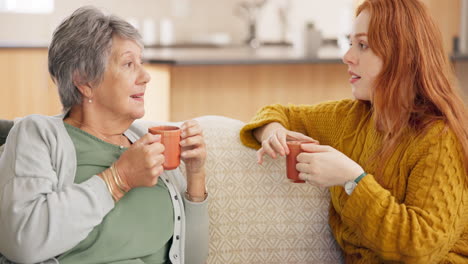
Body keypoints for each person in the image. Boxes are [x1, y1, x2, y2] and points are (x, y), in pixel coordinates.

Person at [240, 0, 467, 263]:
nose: (347, 56)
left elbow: (421, 247)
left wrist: (353, 180)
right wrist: (272, 131)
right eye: (350, 44)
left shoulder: (438, 138)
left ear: (401, 56)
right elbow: (277, 112)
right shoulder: (350, 120)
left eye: (363, 45)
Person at [0, 6, 208, 264]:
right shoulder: (38, 134)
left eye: (141, 63)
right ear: (85, 82)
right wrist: (118, 179)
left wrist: (195, 176)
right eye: (129, 64)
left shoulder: (148, 142)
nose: (145, 76)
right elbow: (22, 243)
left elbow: (193, 259)